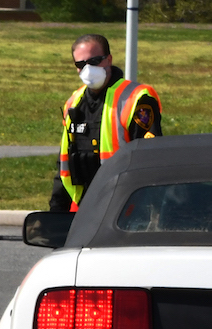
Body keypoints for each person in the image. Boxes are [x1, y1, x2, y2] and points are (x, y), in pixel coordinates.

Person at [50, 32, 161, 213]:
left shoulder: (136, 99)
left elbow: (150, 159)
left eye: (94, 61)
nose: (87, 69)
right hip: (85, 206)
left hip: (125, 207)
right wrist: (55, 213)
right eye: (80, 64)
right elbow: (64, 163)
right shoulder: (74, 103)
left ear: (108, 59)